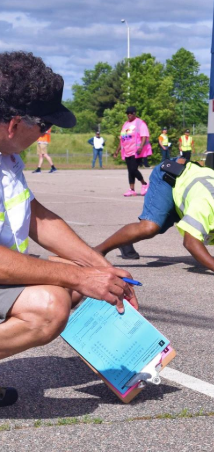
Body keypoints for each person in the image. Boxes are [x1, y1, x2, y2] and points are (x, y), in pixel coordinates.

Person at [0, 51, 138, 407]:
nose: (46, 134)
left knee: (80, 276)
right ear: (15, 124)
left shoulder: (6, 155)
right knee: (50, 305)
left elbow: (35, 217)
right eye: (44, 126)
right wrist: (77, 279)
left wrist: (100, 268)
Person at [114, 106, 149, 197]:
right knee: (130, 171)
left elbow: (144, 136)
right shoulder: (125, 124)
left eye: (131, 113)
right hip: (127, 151)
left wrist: (141, 147)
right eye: (127, 113)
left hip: (136, 151)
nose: (129, 115)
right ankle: (132, 189)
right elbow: (123, 139)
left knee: (133, 169)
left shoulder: (140, 123)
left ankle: (144, 184)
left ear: (134, 113)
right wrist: (117, 150)